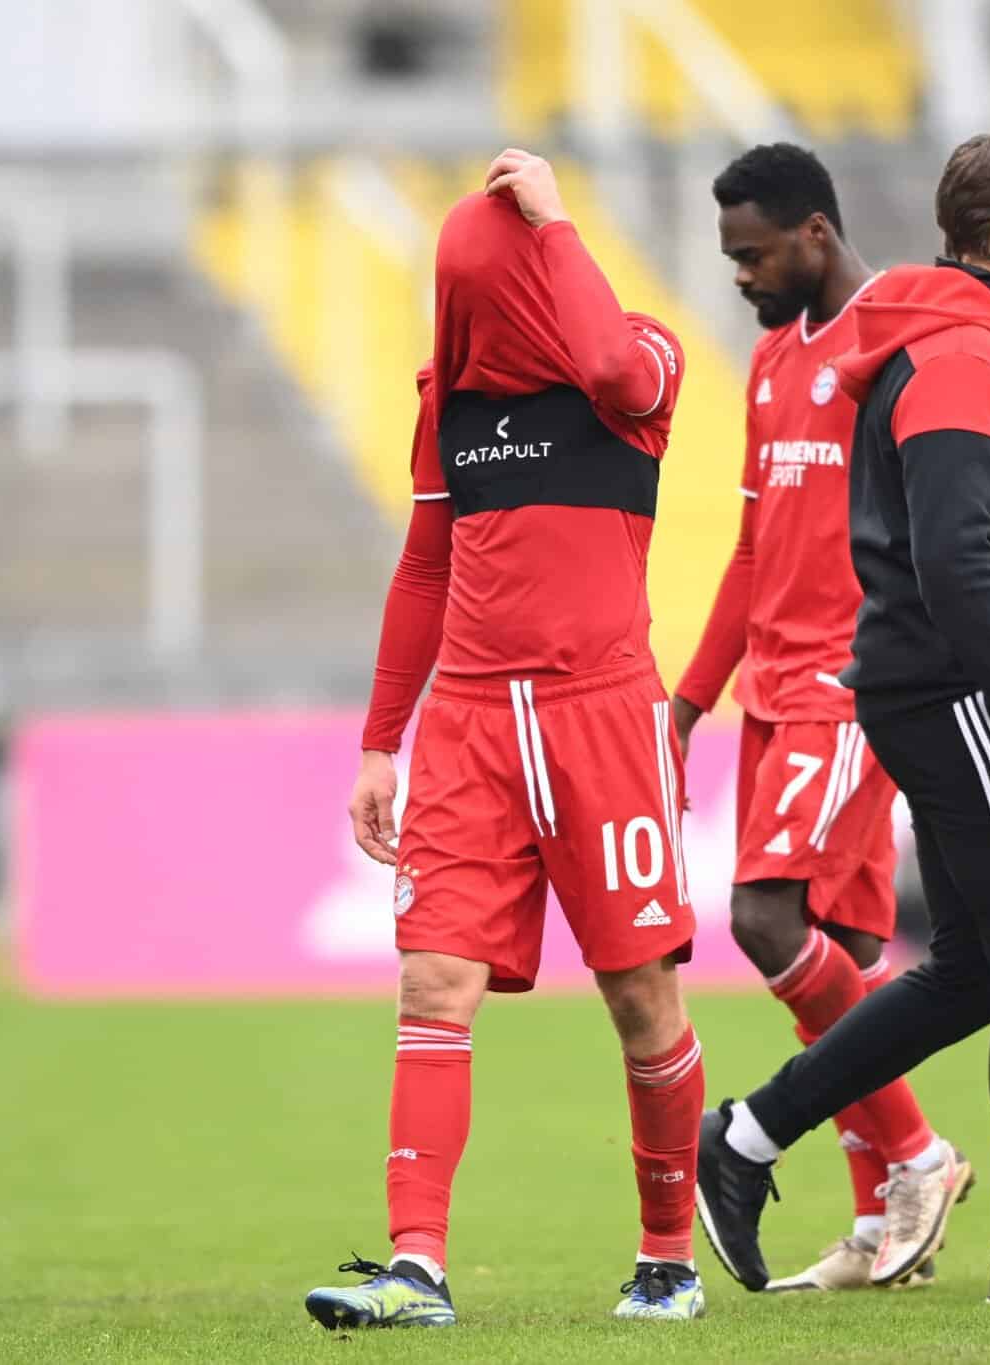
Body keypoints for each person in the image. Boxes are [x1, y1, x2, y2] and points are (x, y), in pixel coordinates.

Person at [693, 128, 990, 1304]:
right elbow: (956, 561)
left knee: (971, 967)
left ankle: (746, 1139)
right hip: (963, 696)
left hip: (925, 689)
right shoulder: (962, 353)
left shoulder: (947, 338)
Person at [305, 149, 709, 1329]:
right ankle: (416, 1268)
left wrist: (558, 219)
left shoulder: (643, 359)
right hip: (473, 724)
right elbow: (426, 565)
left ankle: (665, 1259)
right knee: (432, 982)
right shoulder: (452, 402)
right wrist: (383, 741)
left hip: (602, 719)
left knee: (641, 999)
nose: (472, 299)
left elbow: (604, 363)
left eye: (497, 271)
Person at [671, 142, 968, 1293]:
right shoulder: (765, 360)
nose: (740, 276)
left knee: (761, 919)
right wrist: (688, 696)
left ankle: (916, 1157)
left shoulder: (892, 341)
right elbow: (753, 546)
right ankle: (878, 1227)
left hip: (846, 686)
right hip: (768, 691)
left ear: (813, 233)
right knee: (835, 958)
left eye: (751, 255)